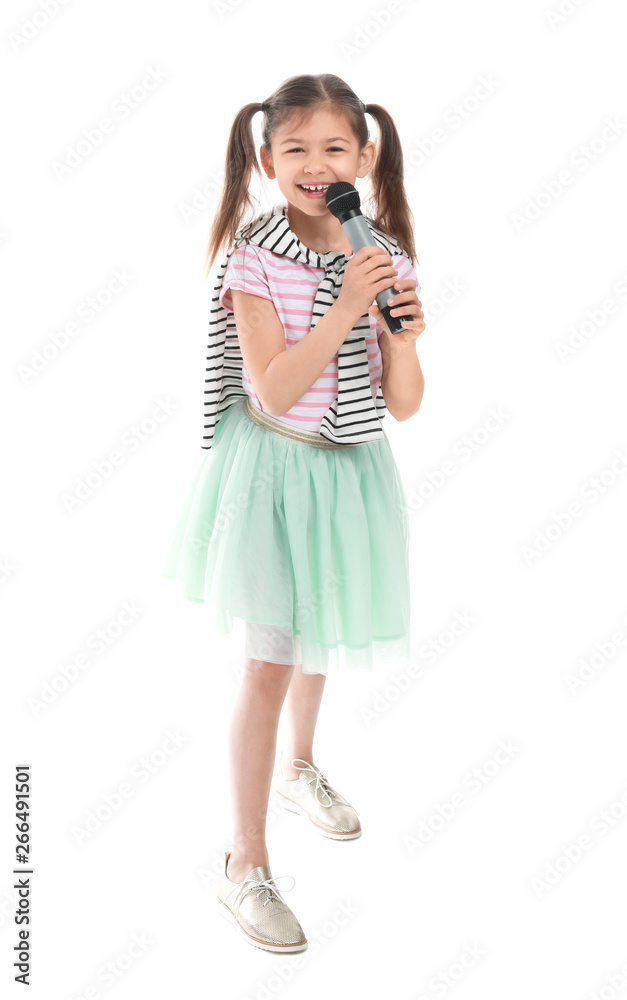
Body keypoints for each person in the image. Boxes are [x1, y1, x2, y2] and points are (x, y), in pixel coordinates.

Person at [162, 73, 426, 953]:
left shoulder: (377, 248)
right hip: (275, 471)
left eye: (334, 149)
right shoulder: (255, 253)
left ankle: (298, 768)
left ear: (366, 155)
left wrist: (397, 333)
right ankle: (243, 861)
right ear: (265, 159)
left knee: (325, 631)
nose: (316, 165)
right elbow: (272, 391)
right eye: (295, 150)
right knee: (270, 661)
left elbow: (406, 403)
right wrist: (346, 305)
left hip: (350, 472)